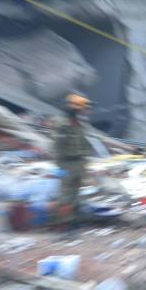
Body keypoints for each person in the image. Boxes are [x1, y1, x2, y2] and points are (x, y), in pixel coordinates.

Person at [53, 92, 92, 225]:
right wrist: (59, 167)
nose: (86, 111)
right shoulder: (62, 124)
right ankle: (64, 225)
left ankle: (75, 221)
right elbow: (57, 147)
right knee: (65, 195)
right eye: (84, 108)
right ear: (75, 109)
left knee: (75, 194)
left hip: (79, 164)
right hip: (66, 165)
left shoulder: (79, 124)